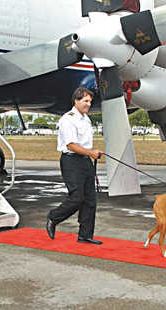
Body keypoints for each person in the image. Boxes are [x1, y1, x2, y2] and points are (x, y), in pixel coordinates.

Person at [46, 87, 104, 244]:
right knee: (77, 198)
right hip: (71, 161)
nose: (88, 104)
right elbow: (71, 145)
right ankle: (53, 217)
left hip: (85, 161)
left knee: (90, 200)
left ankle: (85, 235)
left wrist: (91, 154)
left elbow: (84, 144)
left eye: (90, 101)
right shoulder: (68, 119)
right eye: (85, 101)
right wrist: (90, 152)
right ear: (76, 101)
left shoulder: (86, 119)